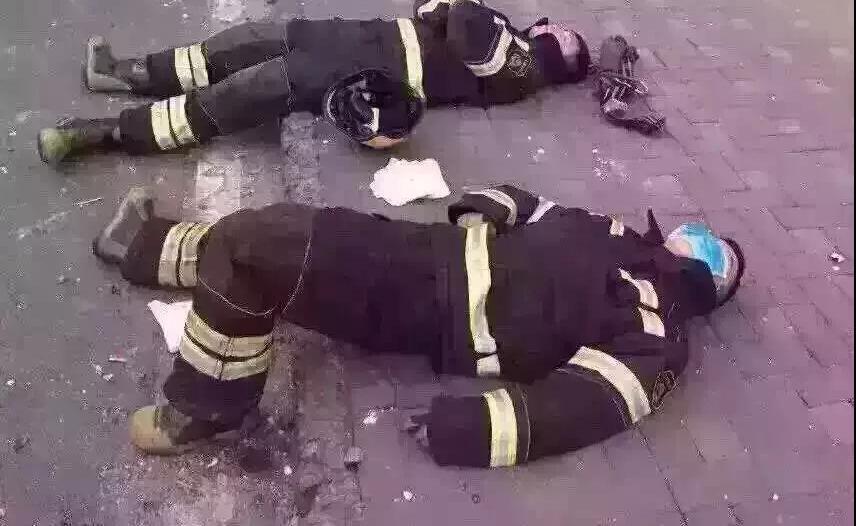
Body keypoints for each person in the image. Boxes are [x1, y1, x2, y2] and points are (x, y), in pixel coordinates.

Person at [93, 183, 743, 467]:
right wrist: (485, 207)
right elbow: (539, 209)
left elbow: (592, 403)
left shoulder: (660, 331)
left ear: (709, 277)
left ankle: (206, 407)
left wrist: (467, 429)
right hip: (427, 252)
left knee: (255, 245)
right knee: (273, 236)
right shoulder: (620, 235)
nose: (695, 234)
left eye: (712, 248)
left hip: (430, 306)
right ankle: (146, 249)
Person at [37, 0, 593, 165]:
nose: (560, 26)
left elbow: (464, 27)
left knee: (249, 90)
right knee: (243, 41)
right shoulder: (510, 34)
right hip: (365, 36)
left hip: (380, 67)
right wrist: (451, 7)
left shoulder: (525, 67)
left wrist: (462, 0)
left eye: (569, 35)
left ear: (564, 55)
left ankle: (109, 134)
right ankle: (125, 74)